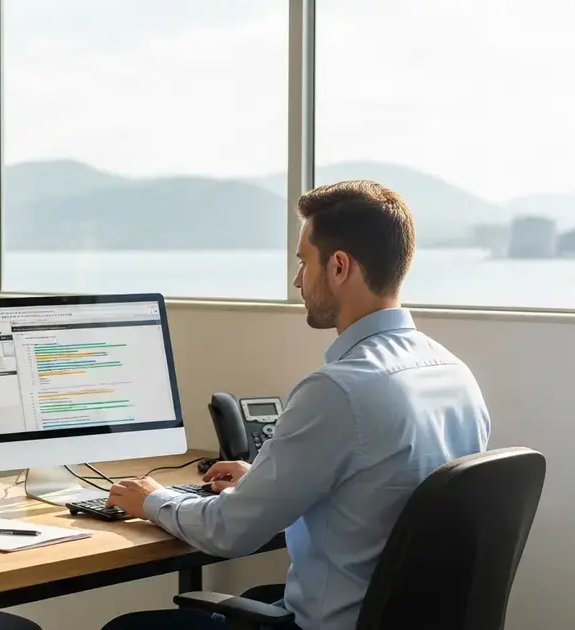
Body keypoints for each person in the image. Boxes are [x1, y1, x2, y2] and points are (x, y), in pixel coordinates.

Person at [102, 181, 491, 630]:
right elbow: (377, 497)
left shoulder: (339, 390)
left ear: (340, 267)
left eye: (305, 262)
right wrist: (263, 484)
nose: (297, 280)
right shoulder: (454, 373)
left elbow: (230, 532)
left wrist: (152, 499)